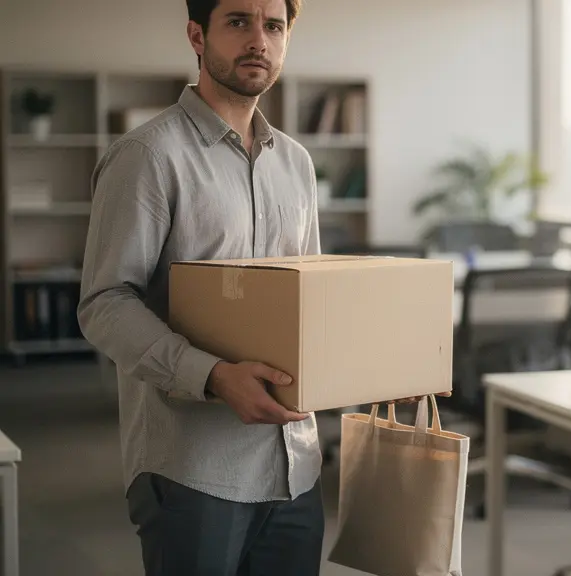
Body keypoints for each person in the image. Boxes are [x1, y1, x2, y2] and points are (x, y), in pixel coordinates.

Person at [78, 0, 424, 573]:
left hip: (296, 465)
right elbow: (105, 303)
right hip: (194, 468)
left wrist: (377, 368)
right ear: (197, 36)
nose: (258, 40)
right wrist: (213, 375)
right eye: (238, 21)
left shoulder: (296, 162)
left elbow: (310, 298)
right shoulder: (147, 156)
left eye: (274, 26)